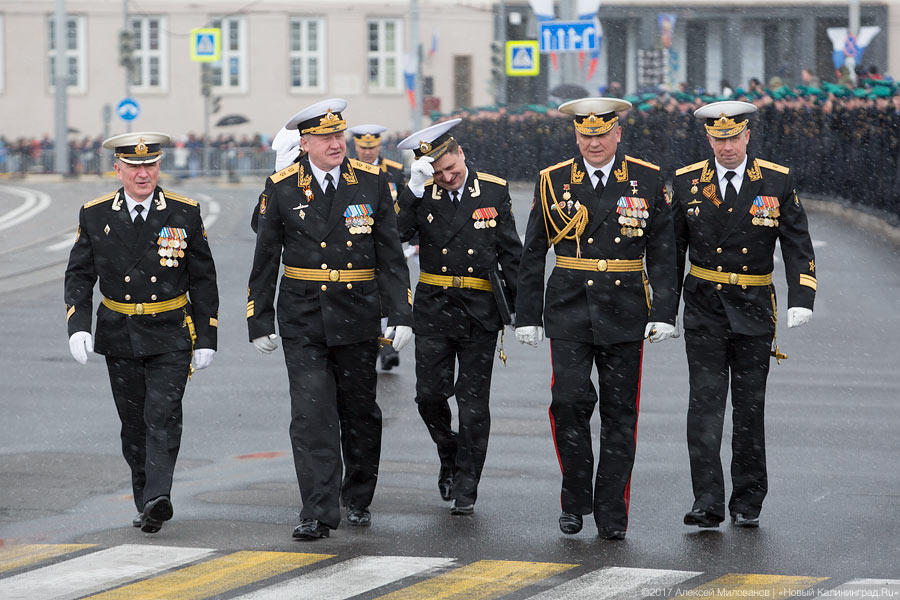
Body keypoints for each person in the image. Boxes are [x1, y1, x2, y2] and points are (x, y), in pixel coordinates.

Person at [247, 99, 413, 540]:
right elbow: (265, 257)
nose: (337, 144)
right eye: (326, 138)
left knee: (358, 410)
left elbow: (390, 254)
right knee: (311, 411)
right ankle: (317, 510)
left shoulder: (373, 182)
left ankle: (357, 494)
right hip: (303, 315)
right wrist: (259, 318)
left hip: (358, 312)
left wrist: (401, 312)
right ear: (305, 144)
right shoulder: (282, 186)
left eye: (340, 136)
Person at [515, 97, 678, 540]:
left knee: (620, 415)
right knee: (568, 403)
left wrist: (665, 311)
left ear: (618, 133)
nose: (594, 142)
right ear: (575, 135)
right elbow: (533, 253)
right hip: (569, 306)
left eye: (602, 134)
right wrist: (525, 314)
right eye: (585, 135)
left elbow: (663, 251)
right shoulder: (552, 181)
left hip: (625, 309)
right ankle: (574, 500)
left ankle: (612, 513)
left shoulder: (645, 178)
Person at [64, 132, 219, 534]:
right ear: (117, 169)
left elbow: (203, 279)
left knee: (162, 415)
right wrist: (78, 325)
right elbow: (80, 274)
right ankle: (145, 498)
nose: (143, 173)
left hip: (170, 330)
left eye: (150, 165)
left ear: (159, 166)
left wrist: (207, 337)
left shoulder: (184, 211)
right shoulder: (96, 213)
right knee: (133, 423)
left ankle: (158, 497)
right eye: (133, 166)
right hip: (119, 331)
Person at [672, 101, 816, 529]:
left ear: (747, 136)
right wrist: (664, 308)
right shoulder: (686, 182)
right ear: (708, 139)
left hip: (753, 307)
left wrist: (801, 297)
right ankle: (707, 501)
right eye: (718, 139)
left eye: (733, 138)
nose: (726, 147)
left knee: (749, 409)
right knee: (704, 407)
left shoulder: (775, 179)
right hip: (703, 307)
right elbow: (670, 250)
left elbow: (796, 242)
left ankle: (748, 500)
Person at [395, 119, 522, 516]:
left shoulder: (494, 191)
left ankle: (467, 484)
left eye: (452, 168)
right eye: (439, 174)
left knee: (473, 404)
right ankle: (448, 452)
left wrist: (523, 310)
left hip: (479, 310)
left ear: (461, 153)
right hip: (434, 306)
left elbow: (511, 254)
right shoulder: (420, 193)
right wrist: (414, 190)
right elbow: (393, 235)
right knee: (429, 396)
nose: (448, 178)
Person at [348, 123, 408, 371]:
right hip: (359, 243)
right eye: (362, 147)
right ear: (356, 146)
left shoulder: (394, 171)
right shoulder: (348, 171)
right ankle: (369, 345)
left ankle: (386, 346)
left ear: (379, 146)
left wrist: (411, 242)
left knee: (389, 295)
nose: (367, 152)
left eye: (371, 147)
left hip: (388, 242)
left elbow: (406, 208)